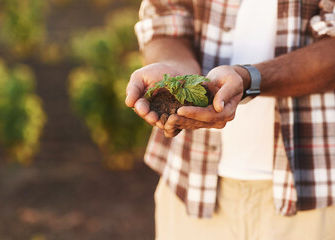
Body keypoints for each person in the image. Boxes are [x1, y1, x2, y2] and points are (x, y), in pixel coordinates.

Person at [126, 0, 335, 239]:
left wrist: (249, 79)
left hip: (312, 191)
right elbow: (164, 18)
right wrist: (176, 74)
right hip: (191, 183)